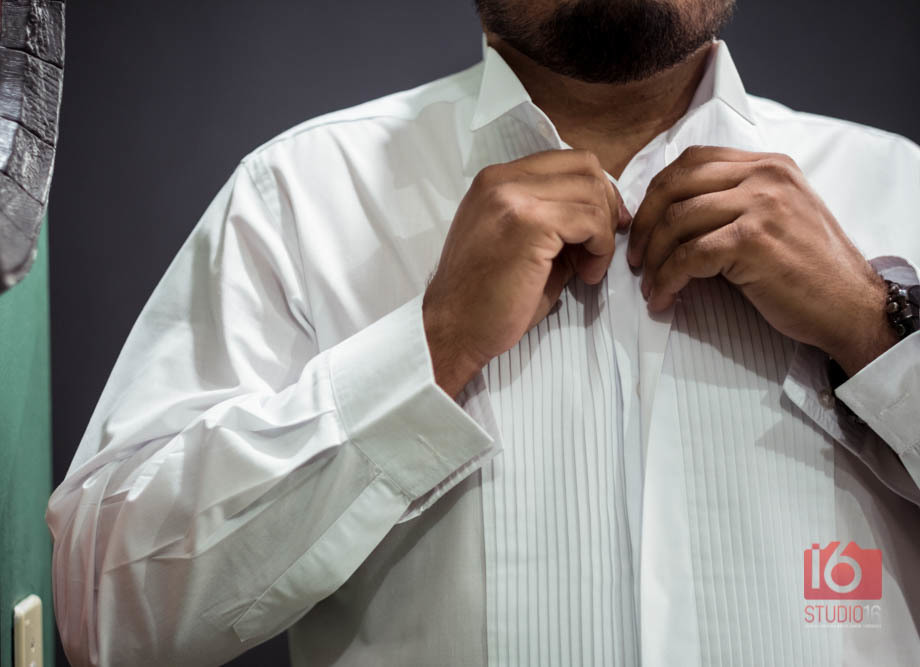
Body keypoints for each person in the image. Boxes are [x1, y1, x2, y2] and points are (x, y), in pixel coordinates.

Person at [47, 1, 920, 665]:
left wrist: (876, 326)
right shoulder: (297, 199)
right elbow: (104, 612)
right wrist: (427, 348)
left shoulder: (903, 191)